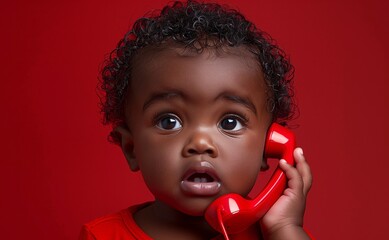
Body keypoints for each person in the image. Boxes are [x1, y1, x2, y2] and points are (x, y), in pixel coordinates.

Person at [80, 1, 312, 239]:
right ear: (131, 149)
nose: (200, 143)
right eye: (169, 122)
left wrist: (284, 228)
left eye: (230, 123)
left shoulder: (276, 234)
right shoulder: (102, 236)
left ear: (266, 150)